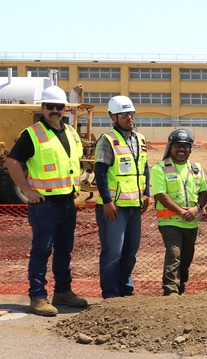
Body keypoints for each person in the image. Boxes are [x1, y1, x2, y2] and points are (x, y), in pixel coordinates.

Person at [4, 86, 88, 315]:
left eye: (59, 107)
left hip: (67, 202)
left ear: (64, 109)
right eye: (50, 106)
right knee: (42, 251)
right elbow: (12, 162)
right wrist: (26, 190)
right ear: (42, 108)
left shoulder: (71, 132)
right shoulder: (32, 134)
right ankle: (38, 297)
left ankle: (62, 292)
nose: (54, 110)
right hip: (45, 204)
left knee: (64, 250)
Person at [95, 95, 150, 299]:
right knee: (113, 253)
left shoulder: (140, 139)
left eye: (131, 113)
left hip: (135, 205)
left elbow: (144, 168)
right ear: (113, 117)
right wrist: (107, 202)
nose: (129, 118)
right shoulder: (107, 140)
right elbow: (100, 173)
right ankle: (110, 292)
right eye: (124, 114)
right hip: (114, 208)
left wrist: (146, 194)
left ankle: (125, 288)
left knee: (130, 252)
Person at [150, 129, 207, 296]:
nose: (181, 149)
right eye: (177, 146)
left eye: (185, 146)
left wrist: (197, 208)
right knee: (174, 253)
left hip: (191, 222)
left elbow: (203, 192)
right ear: (170, 147)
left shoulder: (197, 168)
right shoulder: (160, 168)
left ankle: (181, 287)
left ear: (190, 149)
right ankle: (171, 290)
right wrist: (182, 212)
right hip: (170, 221)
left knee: (186, 257)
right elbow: (161, 195)